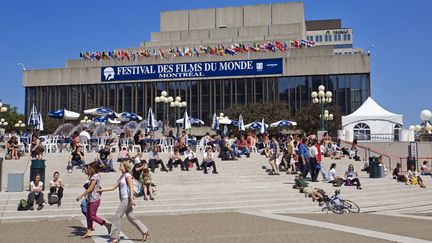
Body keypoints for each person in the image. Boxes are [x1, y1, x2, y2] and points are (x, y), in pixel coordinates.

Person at [98, 161, 149, 242]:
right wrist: (101, 190)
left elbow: (131, 187)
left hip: (127, 199)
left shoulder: (128, 175)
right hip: (124, 199)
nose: (119, 166)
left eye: (121, 165)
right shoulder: (122, 176)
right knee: (131, 217)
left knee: (117, 216)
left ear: (125, 167)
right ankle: (144, 231)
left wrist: (132, 198)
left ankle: (115, 237)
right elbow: (113, 187)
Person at [76, 159, 112, 239]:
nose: (87, 169)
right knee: (89, 216)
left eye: (89, 168)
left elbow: (90, 188)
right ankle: (89, 232)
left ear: (92, 168)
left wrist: (80, 196)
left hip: (94, 199)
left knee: (92, 216)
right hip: (90, 198)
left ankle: (107, 224)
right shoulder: (92, 176)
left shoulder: (95, 176)